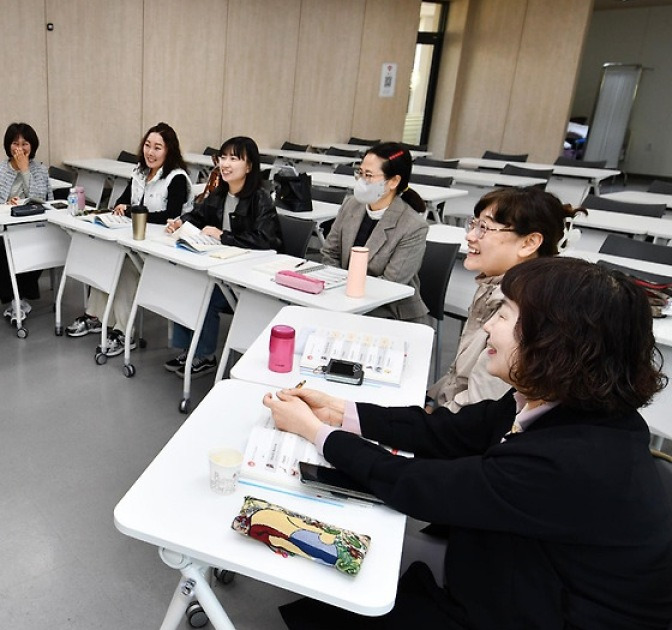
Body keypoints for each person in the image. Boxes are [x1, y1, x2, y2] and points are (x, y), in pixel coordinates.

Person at [264, 257, 672, 629]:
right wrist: (339, 411)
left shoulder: (572, 459)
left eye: (505, 315)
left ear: (556, 341)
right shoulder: (553, 399)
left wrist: (316, 433)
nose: (489, 325)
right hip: (527, 571)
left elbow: (420, 487)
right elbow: (448, 431)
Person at [428, 187, 584, 411]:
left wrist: (430, 414)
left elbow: (478, 409)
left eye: (484, 228)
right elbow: (458, 378)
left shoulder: (521, 313)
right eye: (473, 224)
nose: (470, 236)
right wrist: (431, 402)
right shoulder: (494, 284)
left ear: (529, 243)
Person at [64, 122, 194, 357]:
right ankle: (96, 316)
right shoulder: (140, 172)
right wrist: (123, 208)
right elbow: (121, 202)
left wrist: (134, 211)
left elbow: (171, 215)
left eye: (157, 148)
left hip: (164, 250)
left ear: (169, 151)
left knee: (125, 266)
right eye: (147, 145)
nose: (150, 152)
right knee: (108, 257)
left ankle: (125, 332)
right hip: (139, 241)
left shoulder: (176, 178)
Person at [163, 136, 282, 376]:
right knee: (186, 285)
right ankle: (189, 349)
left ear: (249, 166)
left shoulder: (260, 199)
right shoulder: (220, 193)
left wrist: (223, 235)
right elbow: (198, 216)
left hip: (249, 279)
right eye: (223, 158)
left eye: (234, 159)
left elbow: (265, 240)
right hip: (225, 268)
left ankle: (205, 355)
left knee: (205, 294)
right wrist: (180, 222)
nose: (225, 164)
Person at [320, 142, 428, 323]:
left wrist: (346, 296)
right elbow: (330, 252)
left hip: (389, 311)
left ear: (393, 181)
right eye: (360, 173)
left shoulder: (413, 226)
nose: (362, 181)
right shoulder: (351, 204)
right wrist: (339, 291)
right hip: (342, 299)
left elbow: (390, 284)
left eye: (369, 175)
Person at [0, 122, 52, 324]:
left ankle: (19, 299)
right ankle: (15, 300)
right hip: (5, 229)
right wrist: (7, 204)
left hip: (33, 229)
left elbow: (41, 199)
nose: (19, 148)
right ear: (8, 145)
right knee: (0, 248)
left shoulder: (40, 170)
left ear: (32, 146)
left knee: (37, 249)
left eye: (24, 144)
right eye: (15, 143)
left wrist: (25, 170)